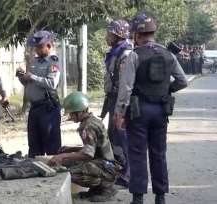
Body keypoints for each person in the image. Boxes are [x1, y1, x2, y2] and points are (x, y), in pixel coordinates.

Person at [114, 14, 188, 204]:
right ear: (154, 33)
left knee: (137, 153)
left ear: (137, 35)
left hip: (138, 111)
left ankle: (138, 198)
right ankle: (160, 197)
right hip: (161, 111)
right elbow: (182, 81)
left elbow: (126, 88)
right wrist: (166, 89)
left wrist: (120, 113)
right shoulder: (168, 54)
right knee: (159, 153)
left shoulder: (134, 55)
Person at [49, 91, 119, 202]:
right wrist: (71, 149)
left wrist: (62, 156)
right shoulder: (93, 121)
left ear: (81, 112)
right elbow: (93, 147)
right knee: (70, 163)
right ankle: (96, 188)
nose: (70, 117)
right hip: (106, 164)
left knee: (69, 173)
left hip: (106, 168)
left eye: (72, 113)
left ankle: (106, 188)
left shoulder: (87, 127)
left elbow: (88, 154)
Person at [16, 30, 61, 157]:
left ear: (49, 46)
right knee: (34, 143)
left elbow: (52, 83)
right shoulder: (34, 62)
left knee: (51, 143)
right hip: (35, 108)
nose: (37, 50)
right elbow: (29, 84)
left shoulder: (53, 62)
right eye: (36, 47)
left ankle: (55, 171)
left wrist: (33, 77)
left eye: (40, 47)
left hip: (48, 108)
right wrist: (22, 77)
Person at [100, 19, 132, 188]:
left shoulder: (125, 54)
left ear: (118, 35)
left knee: (122, 138)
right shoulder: (115, 52)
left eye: (110, 33)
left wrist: (120, 110)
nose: (107, 36)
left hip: (121, 101)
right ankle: (118, 171)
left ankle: (127, 175)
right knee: (113, 138)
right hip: (112, 98)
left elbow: (125, 85)